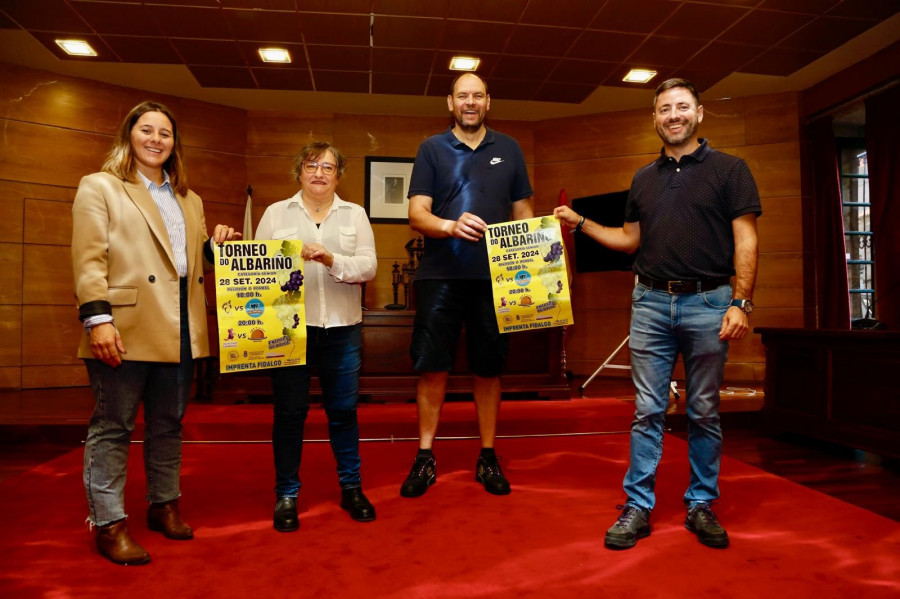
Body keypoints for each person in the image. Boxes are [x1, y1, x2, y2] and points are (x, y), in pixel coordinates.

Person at [554, 78, 760, 549]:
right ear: (654, 118)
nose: (674, 115)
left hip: (711, 304)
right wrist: (579, 222)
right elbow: (629, 241)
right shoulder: (644, 179)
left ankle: (701, 504)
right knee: (647, 409)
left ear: (699, 113)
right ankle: (638, 507)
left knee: (703, 410)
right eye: (665, 108)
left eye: (682, 106)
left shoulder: (731, 170)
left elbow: (746, 239)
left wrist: (740, 301)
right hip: (648, 303)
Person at [72, 101, 241, 565]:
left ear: (174, 144)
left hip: (181, 328)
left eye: (165, 133)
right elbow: (89, 260)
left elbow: (181, 263)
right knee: (114, 427)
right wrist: (97, 319)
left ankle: (163, 505)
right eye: (146, 130)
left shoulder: (189, 198)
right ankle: (109, 524)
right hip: (122, 326)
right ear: (129, 135)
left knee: (169, 425)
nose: (155, 139)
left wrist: (214, 248)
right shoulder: (101, 187)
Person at [400, 73, 534, 498]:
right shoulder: (431, 149)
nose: (470, 102)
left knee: (489, 367)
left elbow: (524, 213)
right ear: (450, 103)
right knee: (432, 366)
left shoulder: (510, 149)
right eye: (463, 96)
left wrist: (540, 255)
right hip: (440, 275)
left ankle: (488, 454)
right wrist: (449, 225)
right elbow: (416, 213)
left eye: (477, 96)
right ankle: (424, 455)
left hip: (496, 279)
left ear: (488, 102)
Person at [255, 142, 378, 532]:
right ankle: (287, 494)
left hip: (343, 328)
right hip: (290, 331)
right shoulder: (275, 213)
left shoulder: (354, 213)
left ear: (338, 174)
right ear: (299, 171)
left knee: (343, 413)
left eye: (328, 167)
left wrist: (330, 259)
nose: (320, 173)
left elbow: (369, 266)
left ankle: (351, 488)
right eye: (312, 165)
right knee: (290, 415)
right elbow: (256, 270)